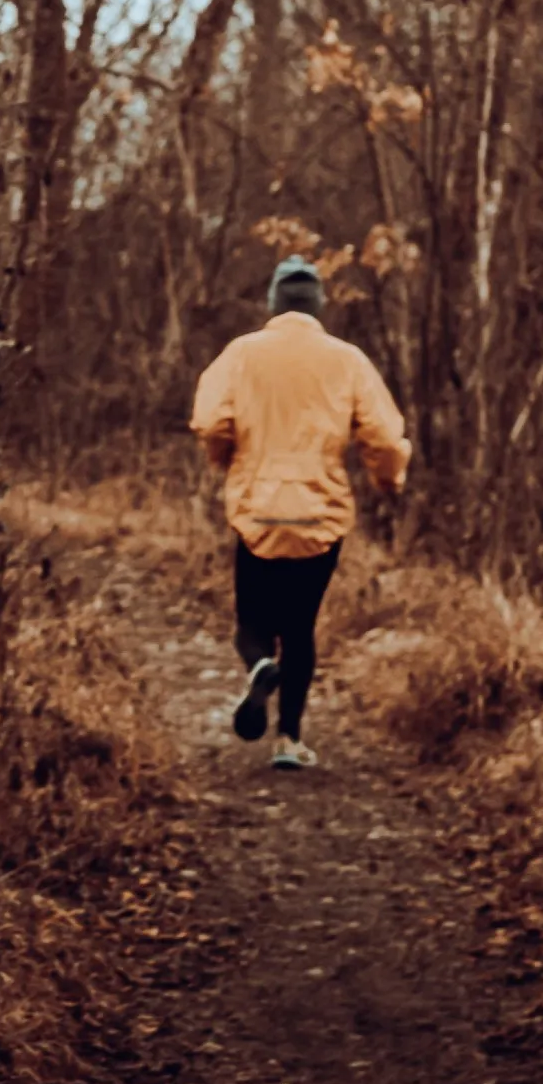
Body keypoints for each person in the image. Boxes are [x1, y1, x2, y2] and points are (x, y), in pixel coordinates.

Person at [189, 254, 411, 769]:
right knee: (301, 626)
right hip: (320, 511)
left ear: (273, 302)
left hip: (256, 508)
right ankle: (288, 741)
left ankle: (261, 665)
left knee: (252, 620)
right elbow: (384, 436)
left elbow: (209, 419)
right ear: (317, 305)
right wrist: (387, 480)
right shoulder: (347, 359)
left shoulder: (241, 355)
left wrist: (225, 459)